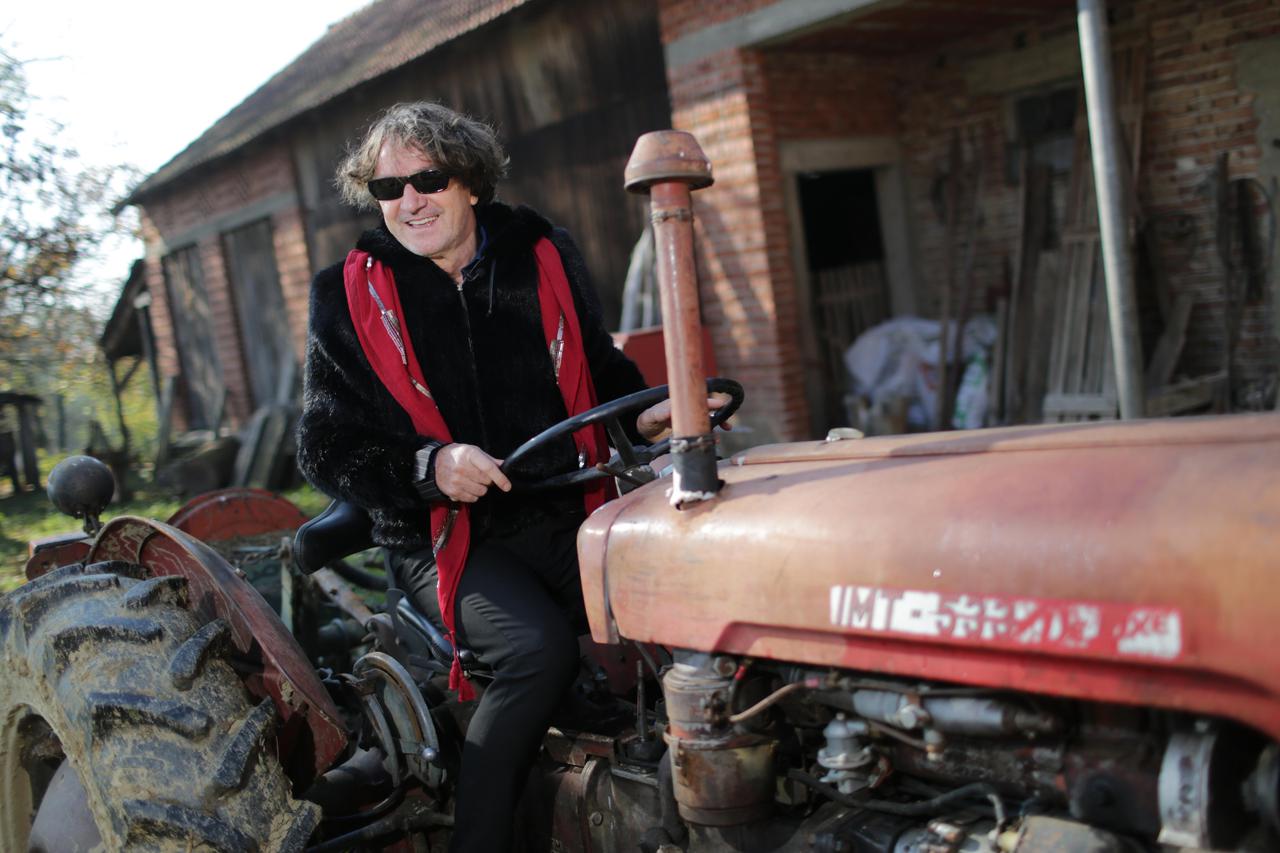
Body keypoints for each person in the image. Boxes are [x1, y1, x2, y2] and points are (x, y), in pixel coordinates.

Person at [296, 101, 686, 851]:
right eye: (388, 188)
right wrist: (429, 466)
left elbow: (600, 374)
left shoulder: (540, 252)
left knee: (686, 595)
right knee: (538, 650)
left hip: (566, 512)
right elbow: (326, 444)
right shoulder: (345, 294)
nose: (409, 201)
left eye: (428, 178)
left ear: (469, 181)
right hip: (441, 537)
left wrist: (642, 416)